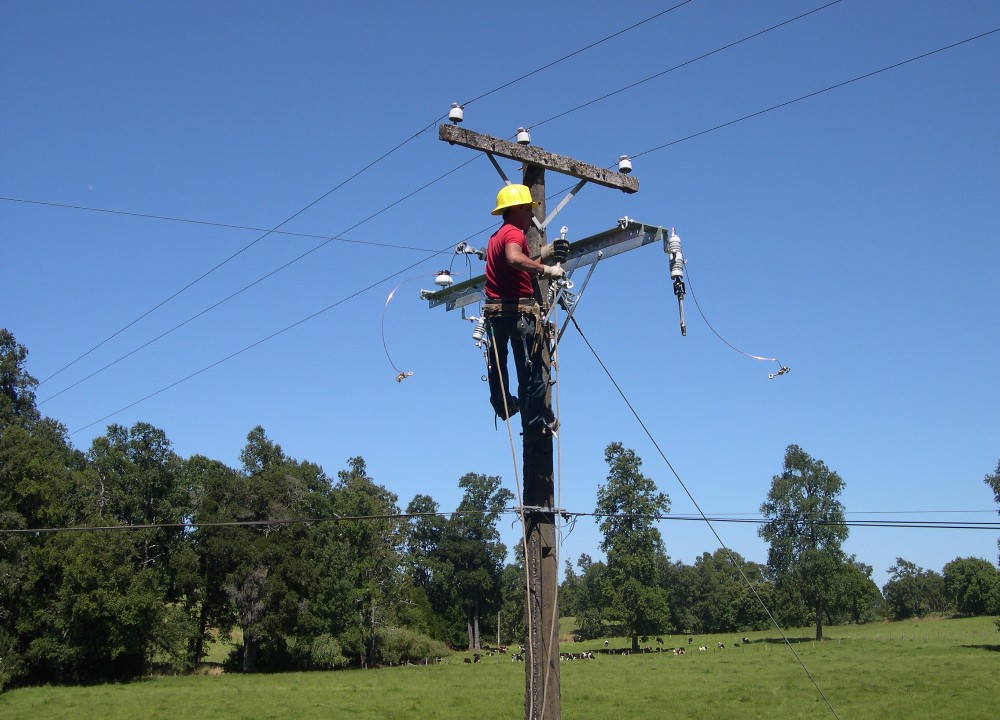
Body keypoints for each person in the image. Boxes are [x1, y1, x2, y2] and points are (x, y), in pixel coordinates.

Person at [483, 184, 567, 438]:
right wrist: (546, 270)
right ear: (516, 208)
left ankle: (504, 404)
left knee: (498, 367)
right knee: (531, 375)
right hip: (518, 314)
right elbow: (514, 258)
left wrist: (544, 254)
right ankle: (536, 423)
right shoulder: (513, 234)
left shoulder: (495, 237)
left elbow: (518, 264)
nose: (531, 215)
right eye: (528, 209)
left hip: (497, 315)